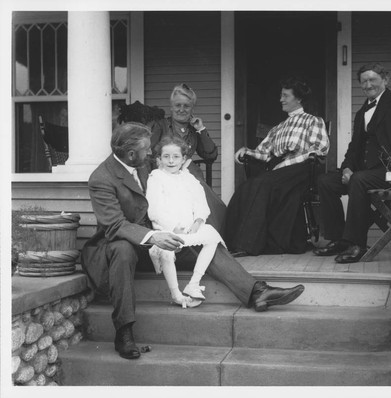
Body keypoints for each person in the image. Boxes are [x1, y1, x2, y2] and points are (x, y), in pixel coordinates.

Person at [81, 122, 305, 360]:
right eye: (146, 150)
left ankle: (256, 292)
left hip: (161, 237)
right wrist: (154, 236)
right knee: (123, 250)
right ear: (130, 153)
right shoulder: (102, 178)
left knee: (207, 242)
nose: (150, 154)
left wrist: (193, 219)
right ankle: (124, 332)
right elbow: (115, 225)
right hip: (122, 242)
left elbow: (180, 180)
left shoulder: (143, 165)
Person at [313, 62, 391, 263]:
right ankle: (338, 239)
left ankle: (356, 244)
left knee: (359, 179)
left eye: (372, 79)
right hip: (366, 171)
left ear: (385, 80)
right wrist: (347, 166)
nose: (367, 85)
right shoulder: (361, 113)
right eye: (363, 81)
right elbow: (354, 148)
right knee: (326, 181)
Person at [225, 76, 330, 256]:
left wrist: (287, 163)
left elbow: (319, 149)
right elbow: (264, 153)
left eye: (285, 96)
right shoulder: (278, 128)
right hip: (282, 172)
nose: (281, 99)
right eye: (281, 95)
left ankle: (247, 245)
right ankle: (232, 242)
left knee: (262, 184)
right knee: (247, 186)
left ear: (298, 99)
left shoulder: (313, 121)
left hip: (303, 169)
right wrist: (246, 152)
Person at [147, 136, 224, 308]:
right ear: (159, 159)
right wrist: (173, 227)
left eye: (176, 157)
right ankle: (176, 294)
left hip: (190, 228)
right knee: (166, 249)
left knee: (212, 236)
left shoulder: (189, 178)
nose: (171, 160)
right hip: (167, 227)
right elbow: (154, 210)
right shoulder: (156, 177)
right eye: (166, 156)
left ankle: (194, 283)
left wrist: (198, 221)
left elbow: (201, 204)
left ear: (183, 159)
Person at [149, 83, 226, 234]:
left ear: (192, 109)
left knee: (208, 201)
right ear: (171, 107)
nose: (182, 110)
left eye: (187, 106)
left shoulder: (193, 129)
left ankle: (212, 236)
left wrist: (201, 130)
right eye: (178, 105)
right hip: (166, 174)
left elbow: (210, 155)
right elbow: (149, 152)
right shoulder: (161, 126)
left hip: (191, 175)